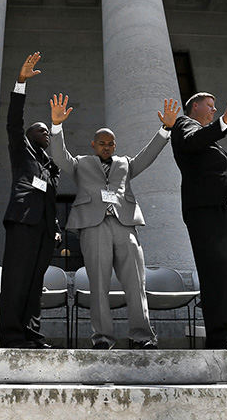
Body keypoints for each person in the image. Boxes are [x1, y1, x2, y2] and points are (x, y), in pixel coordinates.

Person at [49, 93, 175, 349]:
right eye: (102, 143)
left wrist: (165, 130)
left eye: (111, 143)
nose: (107, 147)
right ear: (94, 145)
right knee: (98, 284)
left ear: (115, 146)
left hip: (124, 225)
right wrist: (57, 126)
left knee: (135, 283)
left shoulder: (125, 164)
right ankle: (103, 338)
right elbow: (60, 156)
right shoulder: (81, 163)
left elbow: (147, 157)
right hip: (94, 227)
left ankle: (142, 336)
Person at [168, 91, 227, 349]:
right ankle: (219, 336)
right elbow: (193, 141)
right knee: (215, 274)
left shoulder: (210, 140)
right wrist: (225, 122)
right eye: (210, 106)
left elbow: (217, 172)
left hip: (223, 211)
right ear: (194, 106)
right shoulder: (185, 124)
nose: (214, 111)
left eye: (216, 109)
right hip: (205, 211)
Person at [0, 52, 61, 349]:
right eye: (41, 129)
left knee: (36, 283)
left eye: (47, 130)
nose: (46, 132)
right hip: (23, 221)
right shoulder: (21, 151)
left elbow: (50, 198)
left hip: (45, 229)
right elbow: (13, 121)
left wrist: (57, 226)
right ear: (28, 135)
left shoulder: (51, 166)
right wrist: (21, 82)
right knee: (17, 279)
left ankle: (32, 334)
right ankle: (12, 335)